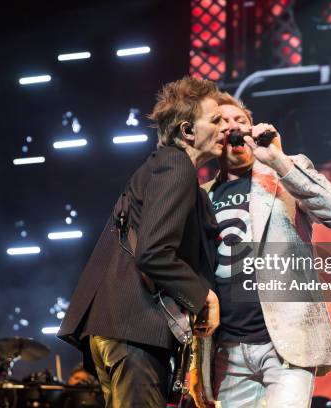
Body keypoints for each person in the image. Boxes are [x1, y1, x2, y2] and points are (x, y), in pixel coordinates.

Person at [58, 76, 226, 407]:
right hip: (135, 328)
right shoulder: (176, 165)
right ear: (187, 131)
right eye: (216, 120)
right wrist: (204, 296)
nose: (225, 129)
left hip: (120, 328)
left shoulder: (162, 168)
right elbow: (153, 253)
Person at [197, 93, 331, 408]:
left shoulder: (286, 171)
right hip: (225, 350)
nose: (232, 126)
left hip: (285, 343)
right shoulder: (200, 195)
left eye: (239, 120)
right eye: (221, 121)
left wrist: (278, 160)